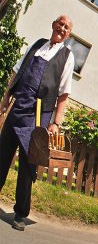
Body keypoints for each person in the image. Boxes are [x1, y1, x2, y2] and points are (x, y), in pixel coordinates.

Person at [0, 15, 74, 231]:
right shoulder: (37, 45)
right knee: (2, 154)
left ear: (69, 33)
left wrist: (56, 123)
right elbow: (17, 71)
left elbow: (64, 93)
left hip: (38, 115)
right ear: (53, 25)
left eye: (67, 27)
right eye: (60, 24)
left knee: (27, 163)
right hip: (18, 106)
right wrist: (6, 97)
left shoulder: (67, 56)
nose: (62, 28)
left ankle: (20, 213)